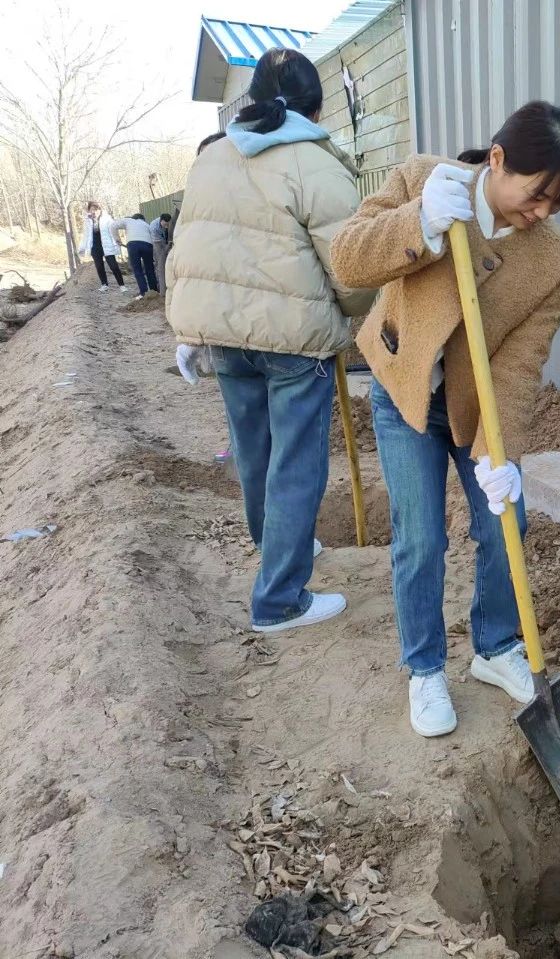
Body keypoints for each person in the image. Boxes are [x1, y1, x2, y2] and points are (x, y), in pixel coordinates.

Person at [330, 101, 560, 738]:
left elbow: (523, 362)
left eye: (556, 205)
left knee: (505, 525)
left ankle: (496, 647)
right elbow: (348, 259)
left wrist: (504, 451)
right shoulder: (424, 180)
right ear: (497, 160)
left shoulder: (553, 259)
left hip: (476, 409)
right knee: (420, 535)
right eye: (536, 195)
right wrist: (417, 224)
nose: (541, 214)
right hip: (405, 391)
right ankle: (424, 668)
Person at [166, 47, 375, 633]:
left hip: (221, 337)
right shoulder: (316, 163)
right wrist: (348, 314)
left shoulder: (212, 158)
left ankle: (280, 556)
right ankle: (281, 598)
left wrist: (186, 327)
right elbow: (352, 267)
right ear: (316, 104)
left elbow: (186, 249)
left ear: (252, 98)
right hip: (293, 340)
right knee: (297, 463)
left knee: (255, 454)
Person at [79, 201, 128, 293]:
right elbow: (85, 236)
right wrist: (82, 248)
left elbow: (113, 230)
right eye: (92, 210)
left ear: (100, 210)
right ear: (89, 210)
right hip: (95, 247)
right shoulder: (88, 221)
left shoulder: (107, 219)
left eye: (96, 210)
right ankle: (104, 284)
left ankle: (122, 285)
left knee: (113, 266)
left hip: (107, 246)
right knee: (99, 266)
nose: (94, 212)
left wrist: (116, 241)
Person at [112, 213, 159, 298]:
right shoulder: (146, 225)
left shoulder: (129, 220)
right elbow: (152, 238)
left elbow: (113, 225)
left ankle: (143, 292)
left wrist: (117, 238)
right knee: (150, 269)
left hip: (133, 245)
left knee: (138, 270)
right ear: (143, 219)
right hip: (148, 245)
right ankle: (154, 291)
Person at [149, 212, 172, 294]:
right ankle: (162, 291)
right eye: (165, 224)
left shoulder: (165, 223)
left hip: (162, 241)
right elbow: (160, 246)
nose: (167, 226)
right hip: (156, 243)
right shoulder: (154, 228)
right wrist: (168, 246)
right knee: (160, 265)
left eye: (168, 224)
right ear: (161, 220)